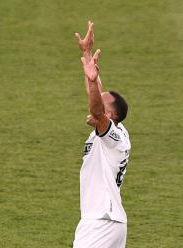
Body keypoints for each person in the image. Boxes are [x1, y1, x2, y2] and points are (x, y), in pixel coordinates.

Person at [73, 21, 131, 248]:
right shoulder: (112, 133)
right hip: (107, 220)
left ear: (111, 115)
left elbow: (97, 109)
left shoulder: (112, 138)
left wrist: (91, 79)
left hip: (101, 222)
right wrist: (86, 53)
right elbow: (97, 99)